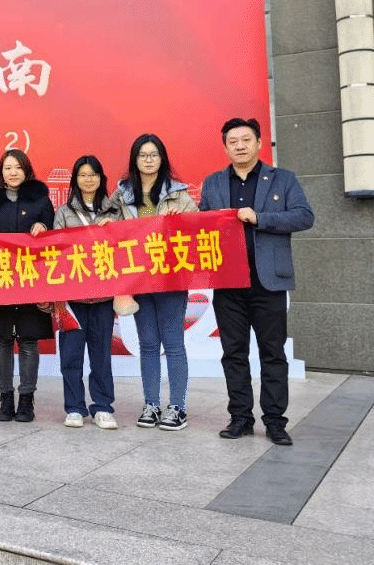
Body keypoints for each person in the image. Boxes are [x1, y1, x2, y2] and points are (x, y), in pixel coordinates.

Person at [200, 117, 314, 446]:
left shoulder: (283, 179)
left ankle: (275, 421)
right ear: (225, 147)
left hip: (269, 282)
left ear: (259, 143)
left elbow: (304, 216)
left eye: (246, 140)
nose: (239, 146)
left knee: (272, 353)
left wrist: (260, 218)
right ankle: (241, 418)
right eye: (232, 141)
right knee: (233, 353)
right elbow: (203, 224)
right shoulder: (213, 183)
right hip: (228, 283)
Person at [112, 134, 197, 431]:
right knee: (148, 345)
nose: (148, 160)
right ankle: (151, 404)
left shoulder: (179, 194)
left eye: (153, 155)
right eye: (143, 155)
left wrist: (181, 219)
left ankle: (177, 407)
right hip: (138, 279)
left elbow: (200, 228)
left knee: (173, 343)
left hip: (171, 277)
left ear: (162, 159)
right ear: (134, 160)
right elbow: (109, 229)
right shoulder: (122, 194)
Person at [0, 149, 54, 423]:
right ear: (1, 172)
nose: (13, 172)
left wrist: (43, 226)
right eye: (7, 167)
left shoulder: (41, 200)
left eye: (18, 167)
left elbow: (55, 235)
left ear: (27, 170)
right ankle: (5, 399)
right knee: (1, 340)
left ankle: (26, 400)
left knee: (28, 340)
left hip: (32, 278)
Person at [54, 156, 123, 429]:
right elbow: (55, 250)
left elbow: (128, 244)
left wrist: (113, 232)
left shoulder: (114, 210)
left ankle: (103, 407)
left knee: (101, 354)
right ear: (76, 180)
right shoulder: (64, 212)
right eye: (83, 175)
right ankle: (74, 407)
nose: (88, 179)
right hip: (73, 297)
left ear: (101, 178)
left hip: (104, 296)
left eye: (93, 174)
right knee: (71, 355)